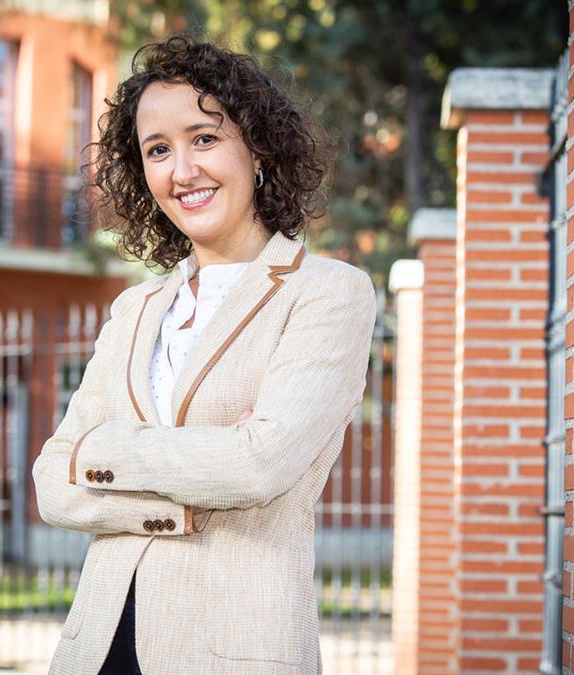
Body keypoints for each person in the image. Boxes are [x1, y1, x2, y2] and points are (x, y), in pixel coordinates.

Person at [31, 35, 377, 675]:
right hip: (98, 646)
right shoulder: (134, 309)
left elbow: (257, 466)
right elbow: (53, 483)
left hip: (234, 647)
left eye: (205, 138)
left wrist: (110, 448)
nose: (183, 170)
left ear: (257, 148)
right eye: (158, 150)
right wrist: (190, 490)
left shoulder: (326, 293)